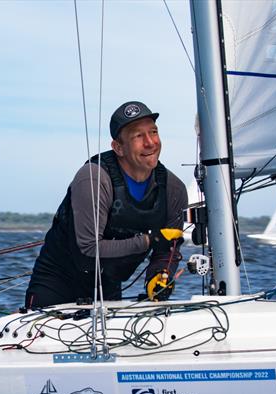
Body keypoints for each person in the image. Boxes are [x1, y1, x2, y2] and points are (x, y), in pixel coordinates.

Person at [25, 101, 188, 308]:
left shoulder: (173, 189)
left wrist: (159, 274)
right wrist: (149, 241)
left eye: (153, 132)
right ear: (118, 147)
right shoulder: (94, 178)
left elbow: (168, 248)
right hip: (58, 281)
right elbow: (88, 248)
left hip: (108, 285)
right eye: (138, 136)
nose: (150, 142)